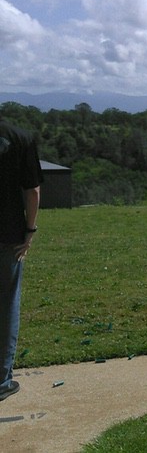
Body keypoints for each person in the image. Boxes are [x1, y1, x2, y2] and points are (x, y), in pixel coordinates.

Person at [0, 119, 43, 402]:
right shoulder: (21, 137)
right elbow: (33, 191)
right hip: (10, 234)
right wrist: (29, 230)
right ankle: (2, 381)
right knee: (7, 305)